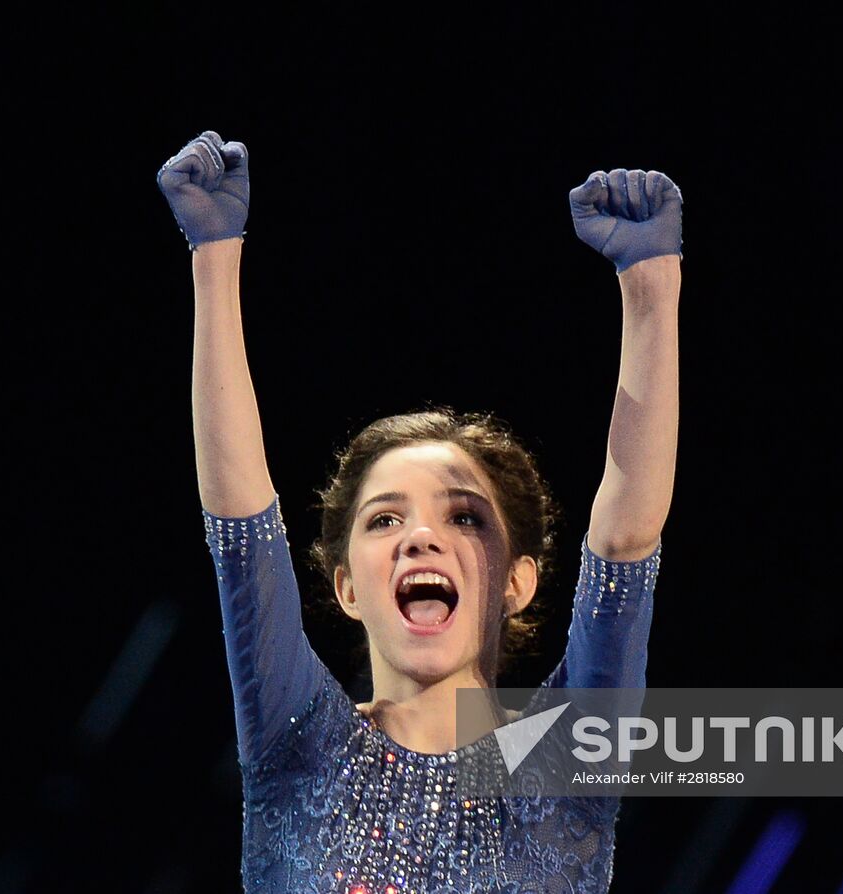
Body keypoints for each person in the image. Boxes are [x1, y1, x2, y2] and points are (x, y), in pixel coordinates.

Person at [160, 130, 681, 893]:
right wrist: (213, 258)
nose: (421, 539)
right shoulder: (295, 741)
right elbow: (240, 523)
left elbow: (626, 539)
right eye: (384, 520)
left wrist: (650, 291)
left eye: (465, 517)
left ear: (518, 581)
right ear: (345, 587)